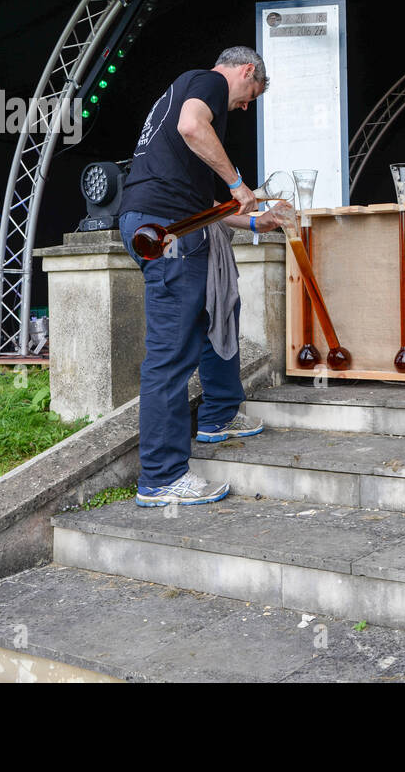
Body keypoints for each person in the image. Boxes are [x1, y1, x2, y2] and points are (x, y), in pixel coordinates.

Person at [117, 45, 294, 507]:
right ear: (246, 71)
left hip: (161, 223)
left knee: (189, 338)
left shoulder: (181, 99)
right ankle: (161, 476)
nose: (246, 105)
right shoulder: (208, 82)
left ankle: (213, 420)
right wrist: (238, 182)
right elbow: (193, 125)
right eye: (251, 94)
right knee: (170, 357)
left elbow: (204, 210)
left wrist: (255, 220)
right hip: (168, 232)